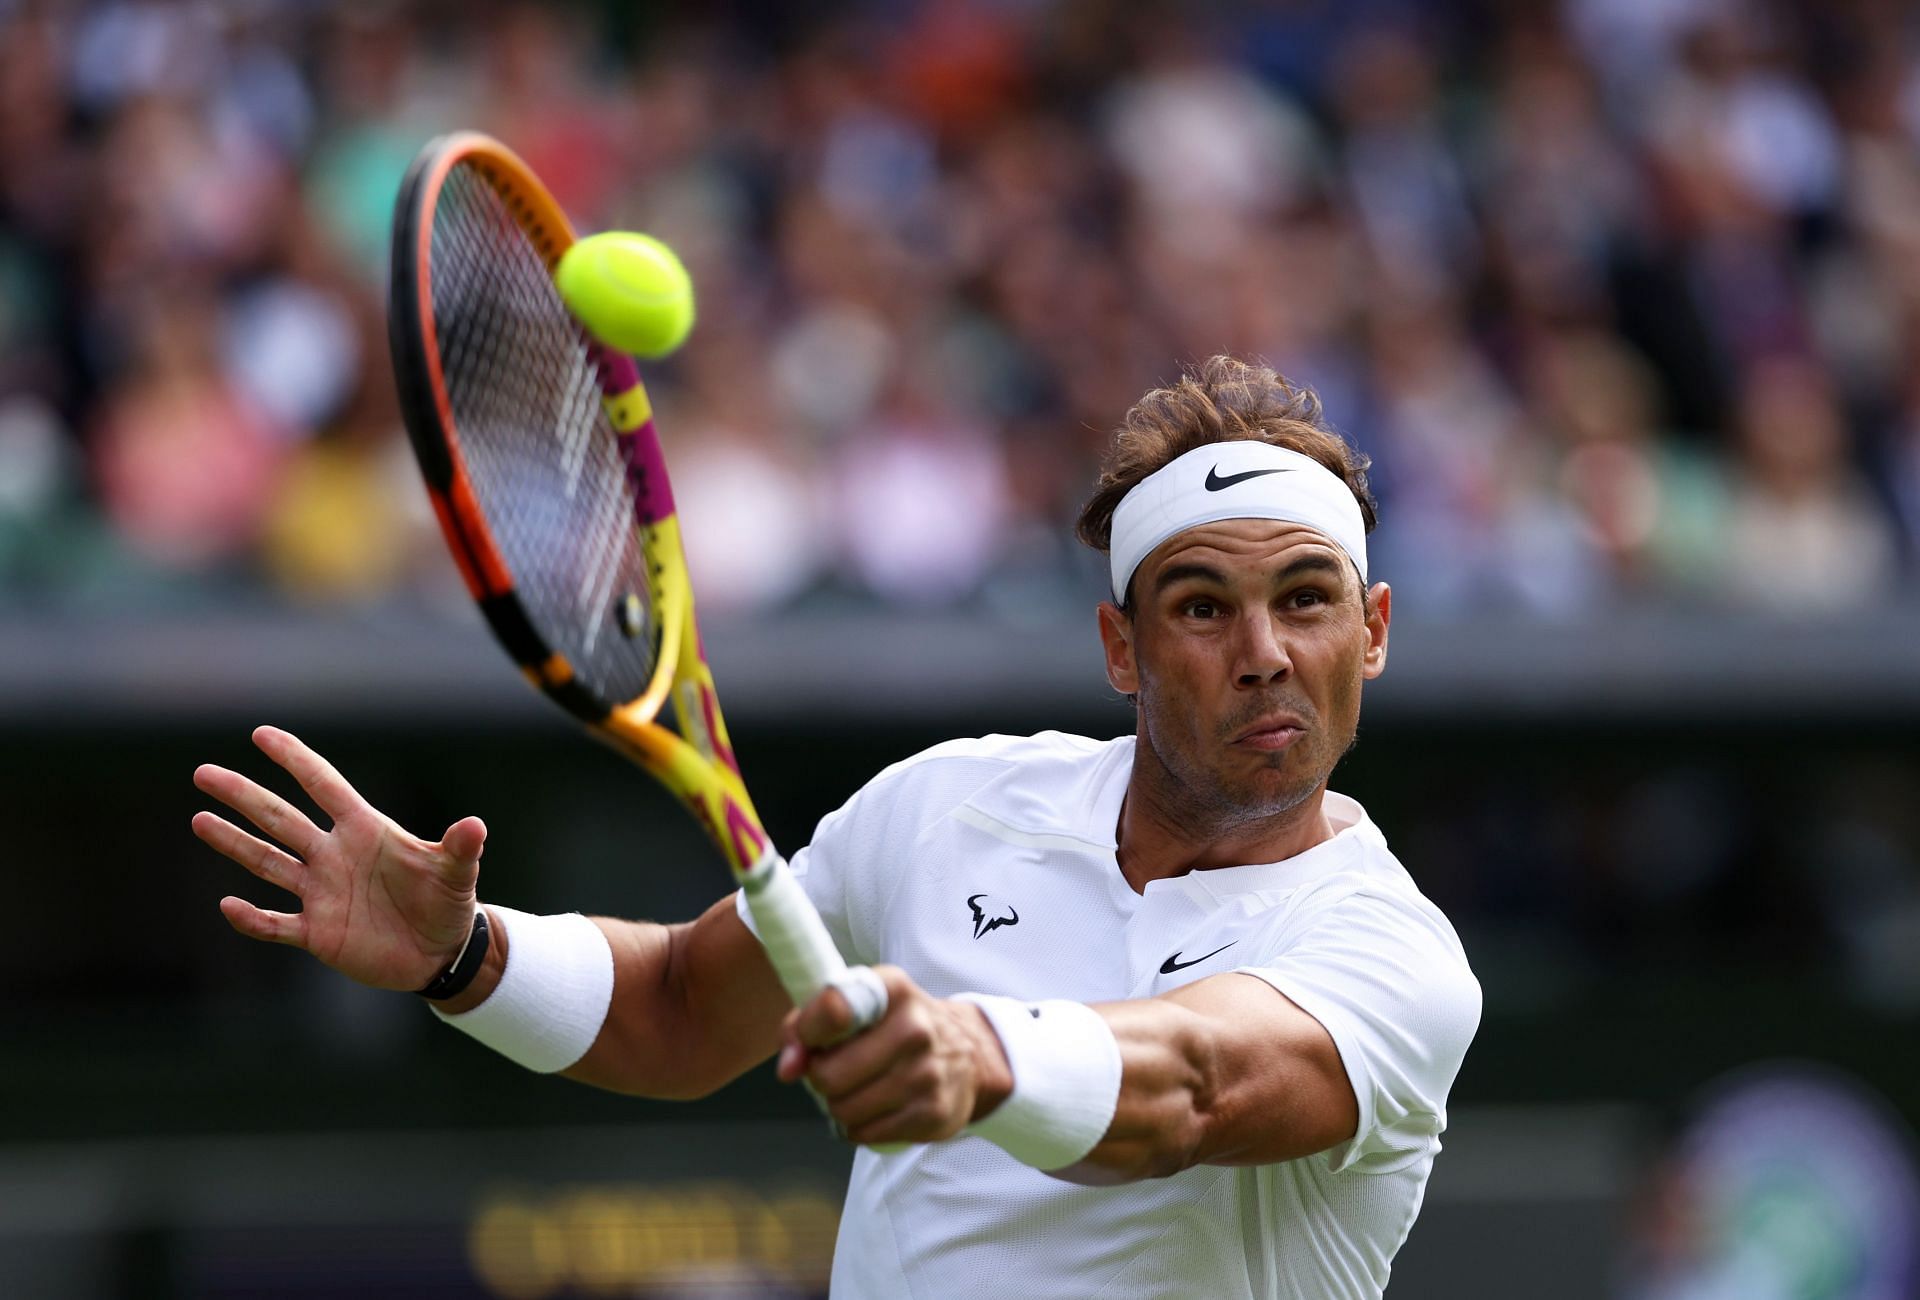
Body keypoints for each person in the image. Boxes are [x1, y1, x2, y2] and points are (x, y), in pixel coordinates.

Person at [193, 355, 1480, 1298]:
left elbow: (1193, 1088)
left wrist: (976, 1056)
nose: (1263, 654)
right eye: (1201, 609)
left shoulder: (1391, 952)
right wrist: (467, 954)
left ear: (1368, 630)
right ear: (1120, 650)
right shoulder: (945, 805)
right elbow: (688, 1006)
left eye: (1305, 601)